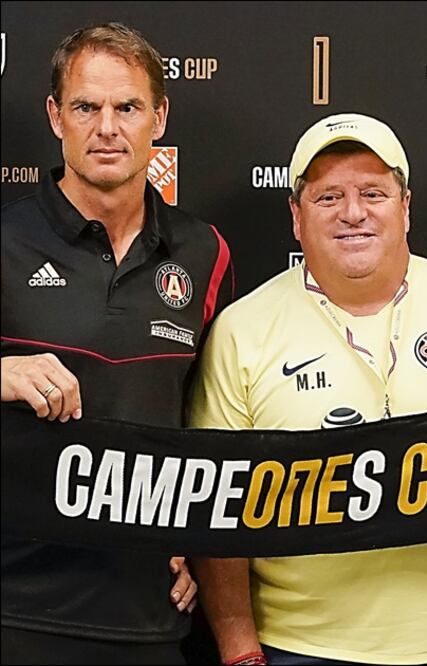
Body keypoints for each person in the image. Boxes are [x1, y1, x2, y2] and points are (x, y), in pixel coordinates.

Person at [188, 113, 427, 666]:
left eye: (373, 193)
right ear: (295, 216)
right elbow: (215, 509)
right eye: (328, 197)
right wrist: (240, 651)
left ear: (405, 206)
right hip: (296, 649)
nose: (353, 213)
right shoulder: (242, 331)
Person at [0, 22, 231, 664]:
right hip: (14, 606)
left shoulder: (204, 250)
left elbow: (213, 421)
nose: (107, 128)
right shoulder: (5, 240)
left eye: (127, 107)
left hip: (150, 610)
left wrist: (199, 540)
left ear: (160, 117)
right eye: (86, 107)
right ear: (56, 116)